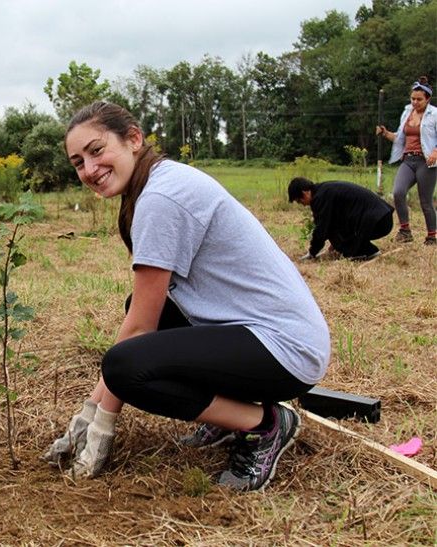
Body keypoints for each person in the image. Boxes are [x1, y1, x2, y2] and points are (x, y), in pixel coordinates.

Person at [42, 101, 330, 492]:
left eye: (96, 151)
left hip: (284, 349)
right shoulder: (158, 181)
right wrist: (88, 413)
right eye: (78, 162)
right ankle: (229, 415)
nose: (89, 170)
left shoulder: (162, 197)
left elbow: (139, 330)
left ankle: (264, 425)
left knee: (126, 367)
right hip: (253, 332)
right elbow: (146, 314)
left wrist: (101, 419)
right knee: (141, 325)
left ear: (133, 139)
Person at [376, 76, 437, 245]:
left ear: (428, 99)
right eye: (413, 98)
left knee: (425, 201)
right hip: (408, 159)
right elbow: (399, 138)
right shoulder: (407, 112)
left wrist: (436, 152)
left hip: (428, 161)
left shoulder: (434, 115)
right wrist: (385, 133)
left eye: (419, 99)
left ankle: (432, 236)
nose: (415, 102)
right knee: (398, 192)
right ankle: (405, 231)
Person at [287, 177, 394, 261]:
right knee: (334, 228)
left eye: (299, 201)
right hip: (383, 217)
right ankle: (358, 250)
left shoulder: (320, 198)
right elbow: (336, 220)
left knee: (330, 229)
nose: (303, 205)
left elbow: (322, 229)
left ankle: (366, 252)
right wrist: (336, 244)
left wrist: (312, 253)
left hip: (378, 221)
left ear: (305, 193)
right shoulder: (324, 190)